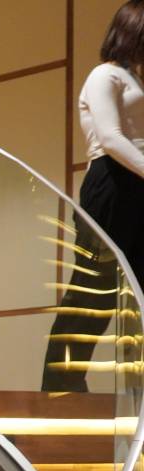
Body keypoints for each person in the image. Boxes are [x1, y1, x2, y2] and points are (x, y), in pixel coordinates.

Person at [42, 0, 144, 391]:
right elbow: (111, 138)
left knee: (136, 292)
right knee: (94, 291)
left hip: (136, 182)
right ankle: (60, 385)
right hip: (111, 182)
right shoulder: (105, 74)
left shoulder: (134, 79)